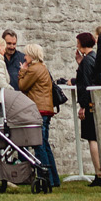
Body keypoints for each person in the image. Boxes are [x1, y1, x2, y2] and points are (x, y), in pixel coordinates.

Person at [18, 43, 60, 188]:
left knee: (39, 144)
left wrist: (22, 72)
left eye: (26, 54)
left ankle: (45, 177)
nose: (24, 57)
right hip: (46, 108)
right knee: (45, 144)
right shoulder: (43, 67)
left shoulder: (33, 69)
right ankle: (54, 178)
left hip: (38, 110)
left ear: (32, 56)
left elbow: (22, 86)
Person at [74, 31, 101, 183]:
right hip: (98, 101)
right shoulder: (95, 58)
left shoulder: (87, 61)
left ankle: (98, 173)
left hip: (90, 103)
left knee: (93, 138)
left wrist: (83, 105)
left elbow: (85, 84)